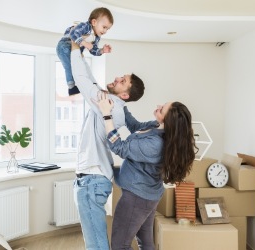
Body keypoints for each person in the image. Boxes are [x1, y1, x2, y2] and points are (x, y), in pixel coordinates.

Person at [70, 42, 151, 250]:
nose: (117, 78)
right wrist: (81, 51)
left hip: (91, 181)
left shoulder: (110, 105)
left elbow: (81, 80)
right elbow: (90, 81)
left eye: (122, 81)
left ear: (124, 95)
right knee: (95, 244)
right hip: (93, 180)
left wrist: (74, 47)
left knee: (96, 246)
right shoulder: (110, 104)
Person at [96, 92, 197, 250]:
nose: (158, 107)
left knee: (119, 245)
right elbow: (135, 126)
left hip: (137, 198)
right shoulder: (156, 127)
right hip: (147, 196)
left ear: (167, 119)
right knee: (146, 243)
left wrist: (106, 114)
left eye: (162, 109)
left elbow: (119, 147)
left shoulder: (156, 144)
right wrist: (122, 104)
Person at [57, 7, 114, 96]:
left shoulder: (97, 37)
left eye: (108, 29)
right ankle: (71, 87)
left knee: (79, 67)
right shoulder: (86, 26)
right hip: (64, 46)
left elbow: (93, 50)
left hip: (74, 49)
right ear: (94, 22)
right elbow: (73, 33)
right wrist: (84, 43)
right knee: (69, 67)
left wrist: (102, 50)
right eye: (104, 27)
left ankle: (81, 86)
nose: (105, 31)